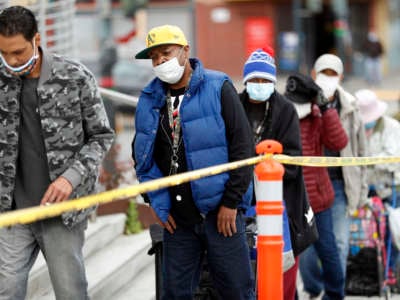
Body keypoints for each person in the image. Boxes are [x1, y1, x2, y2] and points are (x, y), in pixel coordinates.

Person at [132, 24, 255, 299]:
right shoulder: (149, 99)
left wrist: (230, 203)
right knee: (174, 292)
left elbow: (243, 149)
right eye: (154, 57)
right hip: (179, 221)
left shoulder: (218, 86)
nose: (161, 61)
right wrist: (158, 203)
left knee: (236, 290)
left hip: (222, 216)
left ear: (185, 51)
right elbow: (142, 158)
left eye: (166, 52)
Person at [0, 6, 114, 300]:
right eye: (4, 53)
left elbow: (102, 136)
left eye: (19, 52)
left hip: (63, 213)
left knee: (70, 293)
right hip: (13, 211)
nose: (11, 61)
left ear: (36, 39)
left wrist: (70, 178)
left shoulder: (75, 77)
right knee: (7, 290)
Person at [239, 47, 318, 300]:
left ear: (273, 82)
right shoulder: (233, 105)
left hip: (284, 204)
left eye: (265, 80)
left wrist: (266, 165)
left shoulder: (285, 110)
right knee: (248, 274)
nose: (259, 85)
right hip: (241, 202)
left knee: (282, 276)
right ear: (245, 81)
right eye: (254, 80)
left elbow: (294, 160)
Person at [298, 54, 369, 297]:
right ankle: (313, 286)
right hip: (309, 184)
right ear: (315, 74)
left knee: (338, 243)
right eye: (323, 72)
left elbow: (360, 149)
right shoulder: (303, 102)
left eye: (332, 73)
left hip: (339, 183)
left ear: (339, 76)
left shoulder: (350, 104)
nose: (328, 78)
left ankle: (332, 292)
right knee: (307, 247)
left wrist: (362, 189)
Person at [285, 73, 348, 300]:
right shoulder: (283, 112)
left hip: (319, 198)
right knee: (295, 254)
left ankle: (334, 294)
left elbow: (339, 142)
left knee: (328, 249)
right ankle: (305, 292)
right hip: (290, 197)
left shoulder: (318, 116)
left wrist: (327, 110)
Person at [355, 89, 400, 286]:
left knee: (392, 229)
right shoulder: (355, 128)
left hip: (389, 187)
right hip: (364, 187)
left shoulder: (392, 128)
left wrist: (370, 161)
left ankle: (391, 270)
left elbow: (392, 160)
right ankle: (367, 269)